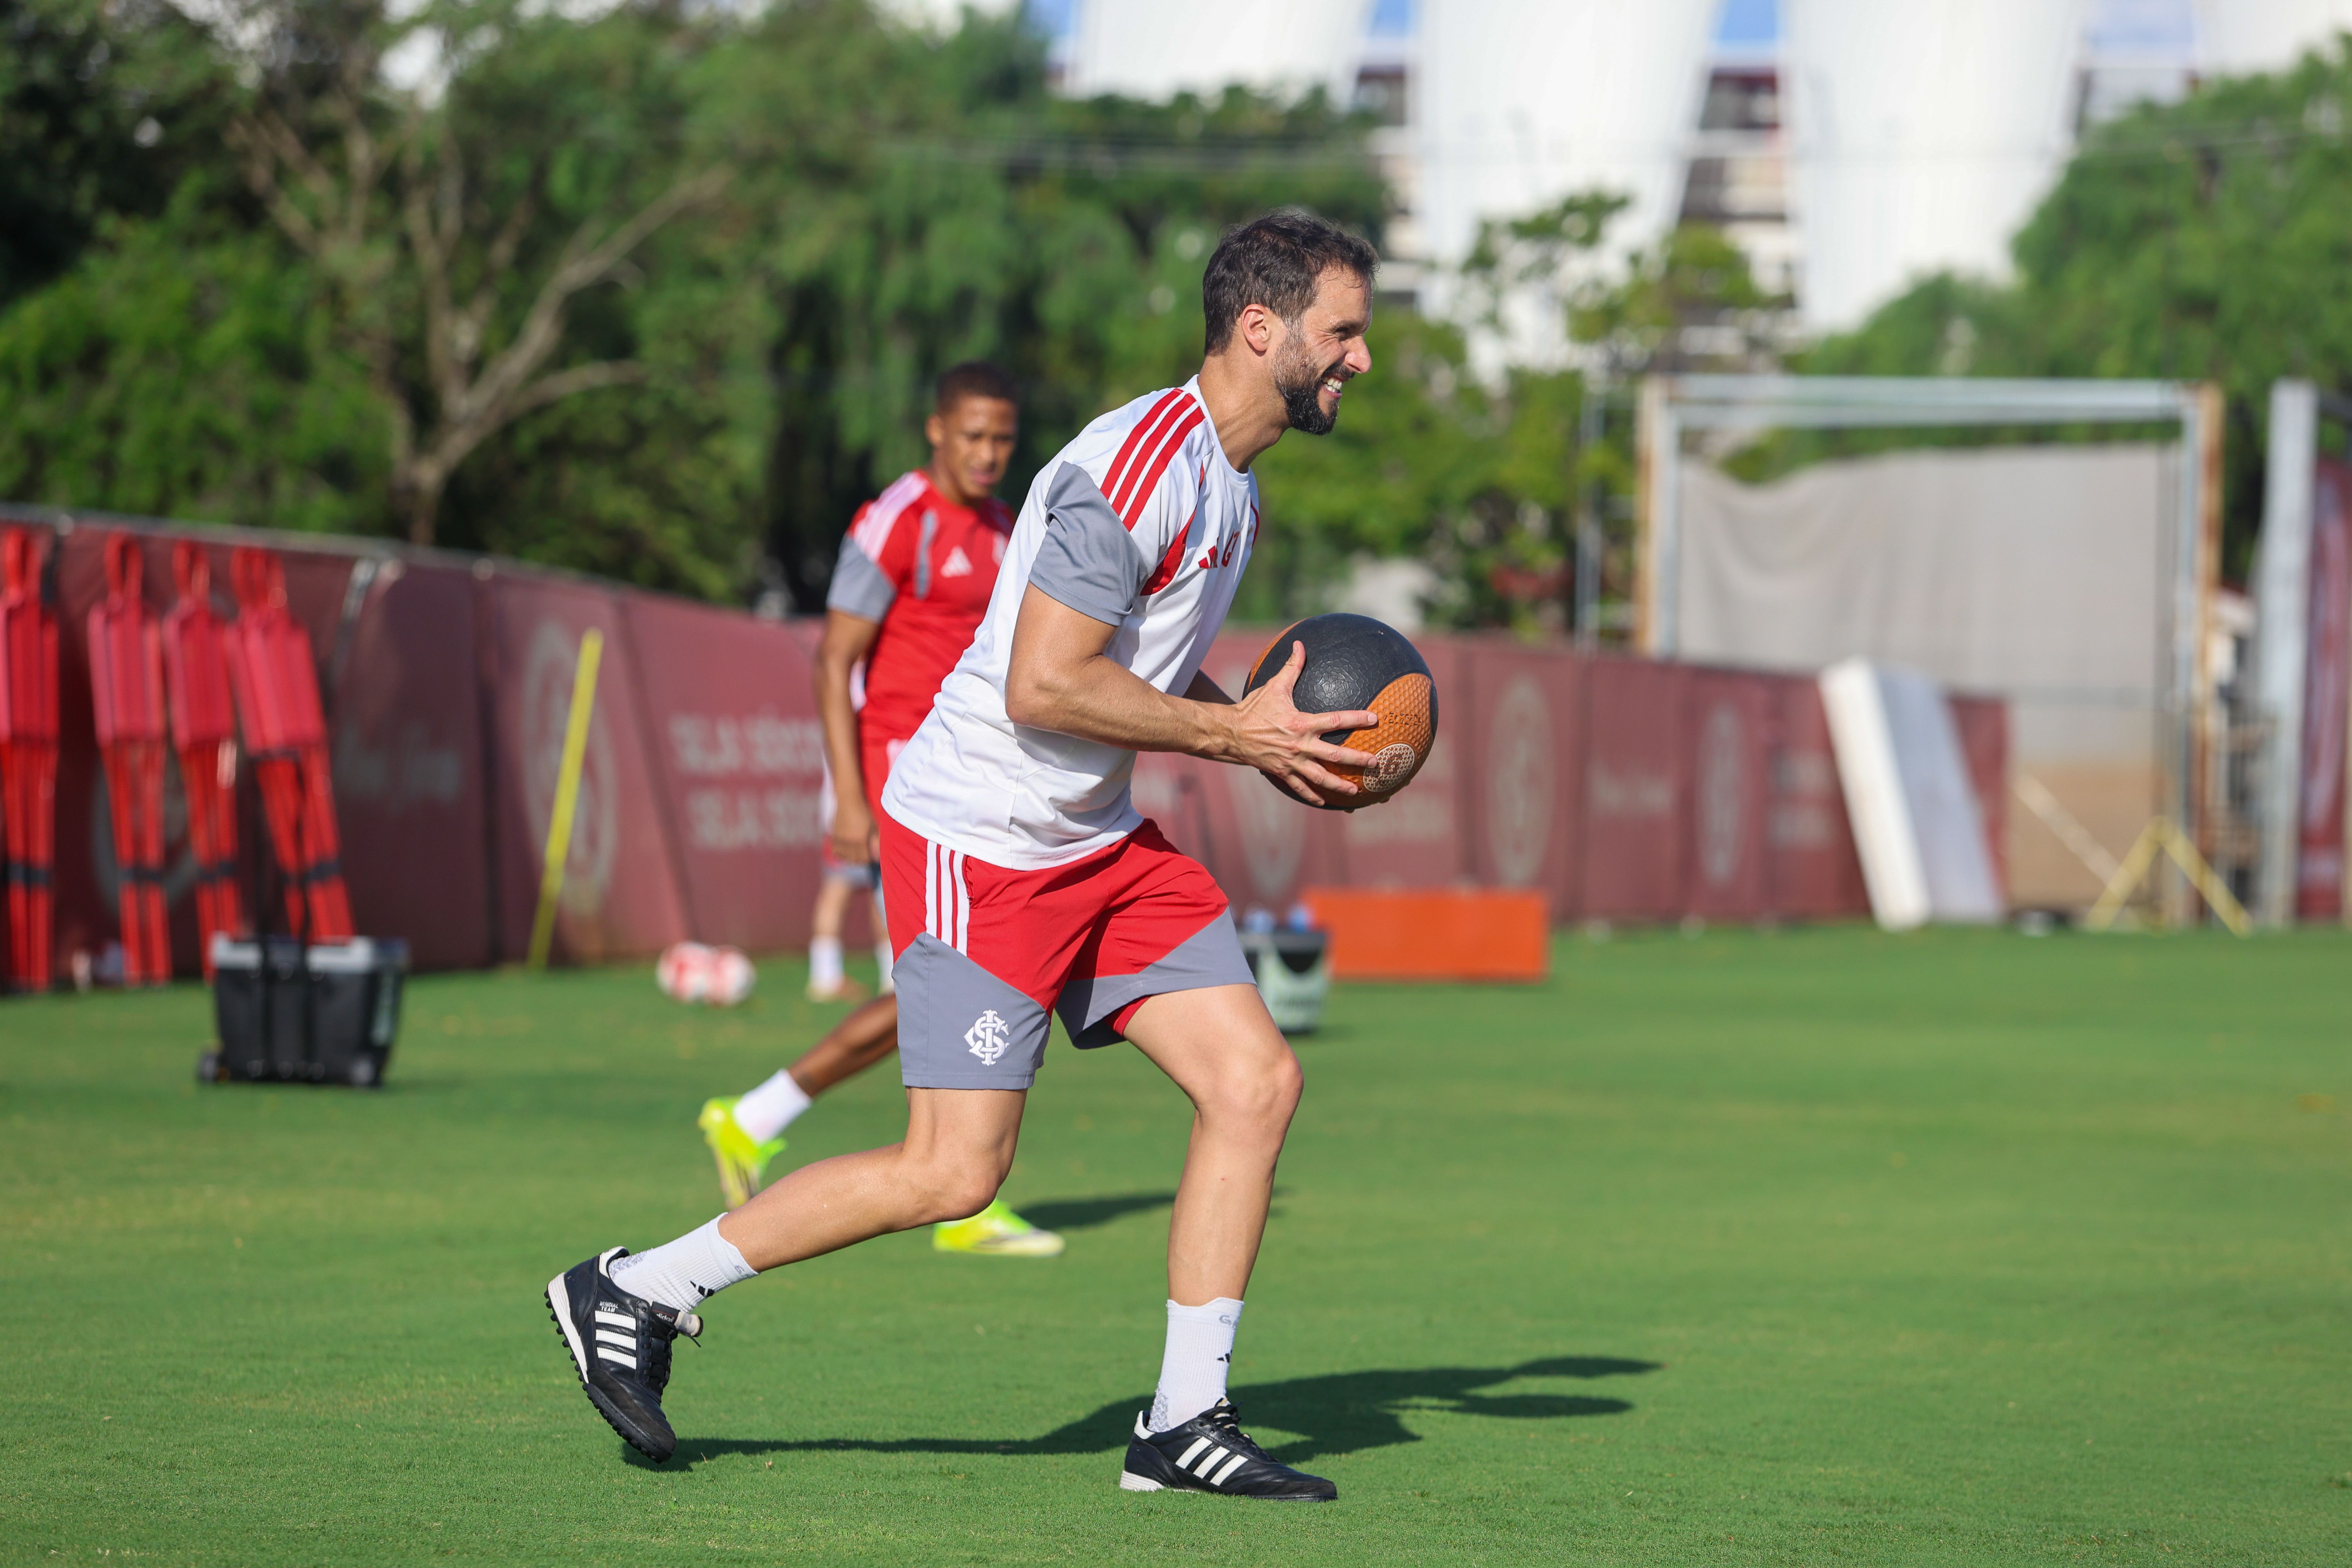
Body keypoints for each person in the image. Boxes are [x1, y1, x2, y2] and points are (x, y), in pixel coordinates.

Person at [551, 211, 1381, 1500]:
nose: (1362, 360)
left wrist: (1264, 730)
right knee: (953, 1172)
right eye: (1346, 332)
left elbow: (1140, 664)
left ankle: (1183, 1424)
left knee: (1255, 1082)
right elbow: (1044, 687)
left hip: (1096, 841)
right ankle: (641, 1287)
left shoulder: (1235, 485)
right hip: (981, 838)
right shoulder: (1138, 468)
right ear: (1262, 329)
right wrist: (1236, 738)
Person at [696, 361, 1063, 1256]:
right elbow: (834, 661)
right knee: (956, 986)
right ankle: (957, 1198)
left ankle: (757, 1119)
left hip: (973, 787)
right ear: (936, 430)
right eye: (972, 435)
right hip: (906, 785)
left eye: (1003, 438)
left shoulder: (1004, 525)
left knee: (946, 989)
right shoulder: (898, 518)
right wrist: (850, 796)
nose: (988, 453)